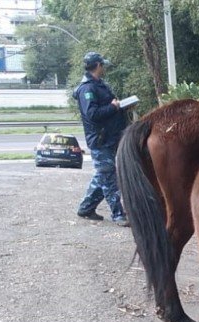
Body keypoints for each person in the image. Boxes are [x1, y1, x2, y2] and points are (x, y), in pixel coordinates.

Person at [73, 51, 130, 227]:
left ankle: (85, 208)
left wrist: (120, 107)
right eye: (103, 64)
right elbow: (92, 114)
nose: (104, 67)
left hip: (109, 137)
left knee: (103, 175)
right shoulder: (87, 89)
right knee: (109, 177)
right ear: (98, 65)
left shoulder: (99, 85)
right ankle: (118, 214)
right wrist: (113, 107)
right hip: (100, 139)